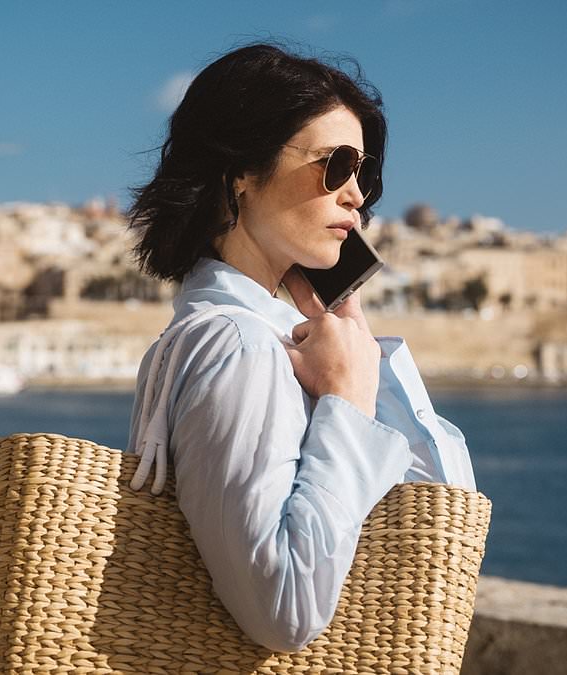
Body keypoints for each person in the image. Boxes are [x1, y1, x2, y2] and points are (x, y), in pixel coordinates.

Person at [126, 43, 476, 653]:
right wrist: (346, 401)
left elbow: (442, 519)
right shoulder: (238, 345)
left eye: (365, 173)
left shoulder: (249, 337)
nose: (356, 196)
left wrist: (354, 340)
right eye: (335, 165)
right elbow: (284, 610)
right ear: (241, 172)